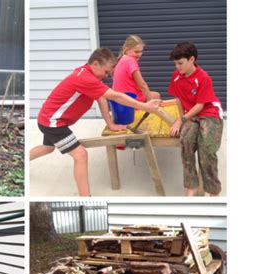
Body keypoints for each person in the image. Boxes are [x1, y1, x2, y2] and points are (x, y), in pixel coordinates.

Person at [30, 48, 161, 196]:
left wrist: (110, 124)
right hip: (53, 122)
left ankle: (24, 163)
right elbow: (116, 96)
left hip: (48, 119)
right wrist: (144, 106)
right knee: (80, 155)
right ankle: (86, 198)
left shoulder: (89, 74)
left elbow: (101, 98)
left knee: (48, 148)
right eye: (106, 72)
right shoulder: (85, 78)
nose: (106, 76)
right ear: (96, 64)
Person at [168, 42, 223, 196]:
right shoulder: (176, 76)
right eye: (175, 63)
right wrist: (181, 118)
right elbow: (178, 99)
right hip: (191, 114)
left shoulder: (204, 78)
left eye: (180, 63)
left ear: (191, 59)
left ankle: (213, 192)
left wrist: (181, 120)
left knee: (207, 149)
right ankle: (191, 186)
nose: (177, 67)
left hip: (209, 113)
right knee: (186, 143)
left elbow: (200, 105)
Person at [113, 35, 160, 102]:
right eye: (136, 52)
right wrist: (150, 100)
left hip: (121, 100)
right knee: (156, 95)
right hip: (132, 99)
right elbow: (142, 85)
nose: (140, 54)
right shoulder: (130, 61)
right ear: (126, 50)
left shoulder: (120, 61)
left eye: (141, 51)